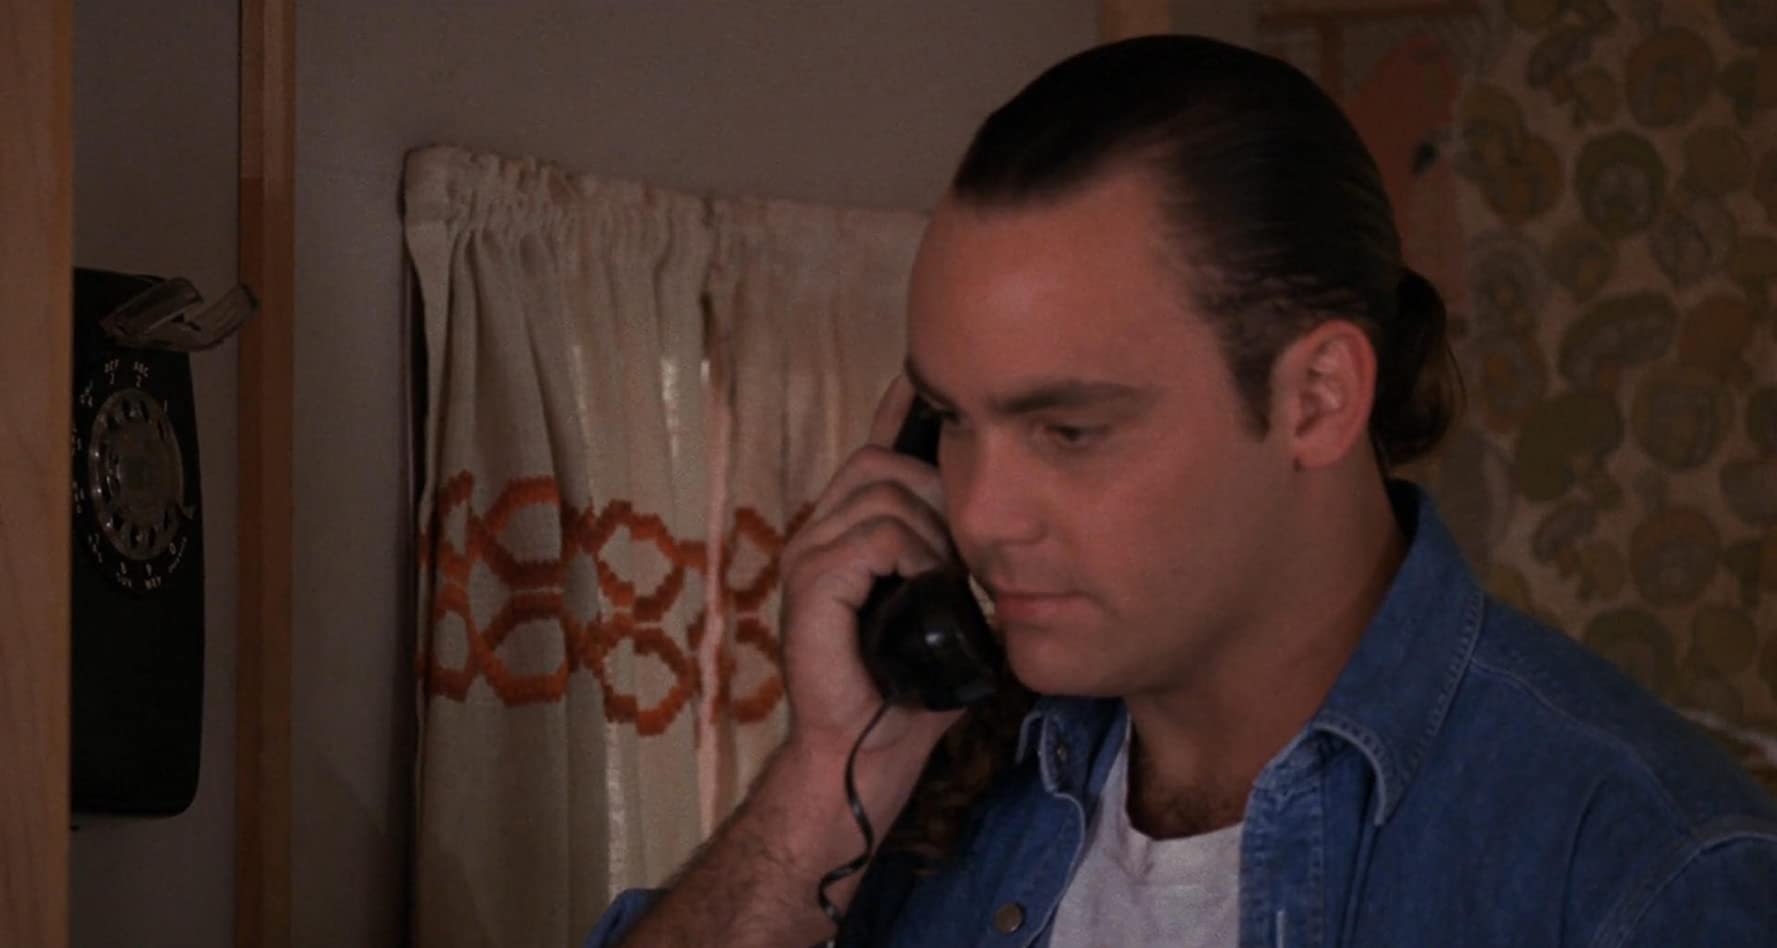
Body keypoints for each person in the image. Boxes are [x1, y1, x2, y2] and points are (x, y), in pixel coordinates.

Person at [585, 34, 1777, 947]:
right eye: (949, 422)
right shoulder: (918, 798)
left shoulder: (1648, 875)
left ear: (1315, 399)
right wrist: (827, 778)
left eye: (1068, 430)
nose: (981, 518)